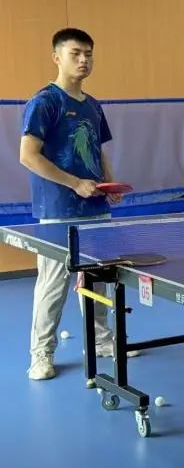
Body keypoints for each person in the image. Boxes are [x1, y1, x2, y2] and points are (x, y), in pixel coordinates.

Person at [20, 28, 126, 381]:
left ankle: (101, 342)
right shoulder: (45, 102)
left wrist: (109, 183)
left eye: (89, 54)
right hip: (58, 212)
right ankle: (41, 354)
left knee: (96, 281)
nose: (84, 60)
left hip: (96, 209)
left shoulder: (93, 105)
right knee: (53, 286)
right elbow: (28, 156)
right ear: (57, 57)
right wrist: (74, 184)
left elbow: (98, 150)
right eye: (76, 53)